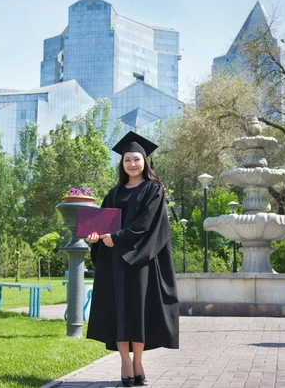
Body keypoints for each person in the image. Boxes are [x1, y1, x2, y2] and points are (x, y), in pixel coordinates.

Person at [86, 131, 179, 387]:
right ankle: (125, 363)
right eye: (127, 160)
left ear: (145, 162)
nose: (132, 164)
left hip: (140, 261)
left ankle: (138, 362)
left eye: (136, 159)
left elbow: (147, 223)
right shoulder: (114, 193)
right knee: (118, 311)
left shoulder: (153, 190)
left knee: (137, 313)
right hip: (114, 261)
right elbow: (101, 223)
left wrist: (117, 237)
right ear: (122, 163)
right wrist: (93, 236)